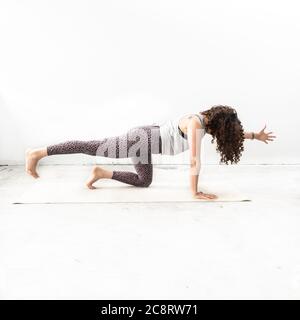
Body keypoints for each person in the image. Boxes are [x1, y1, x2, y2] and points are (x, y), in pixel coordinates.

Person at [25, 105, 276, 200]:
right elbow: (195, 160)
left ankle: (101, 172)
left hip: (146, 142)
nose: (227, 133)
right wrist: (195, 191)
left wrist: (254, 135)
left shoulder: (207, 124)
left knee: (144, 181)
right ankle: (38, 153)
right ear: (218, 123)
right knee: (91, 146)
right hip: (140, 140)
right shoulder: (196, 124)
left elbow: (231, 135)